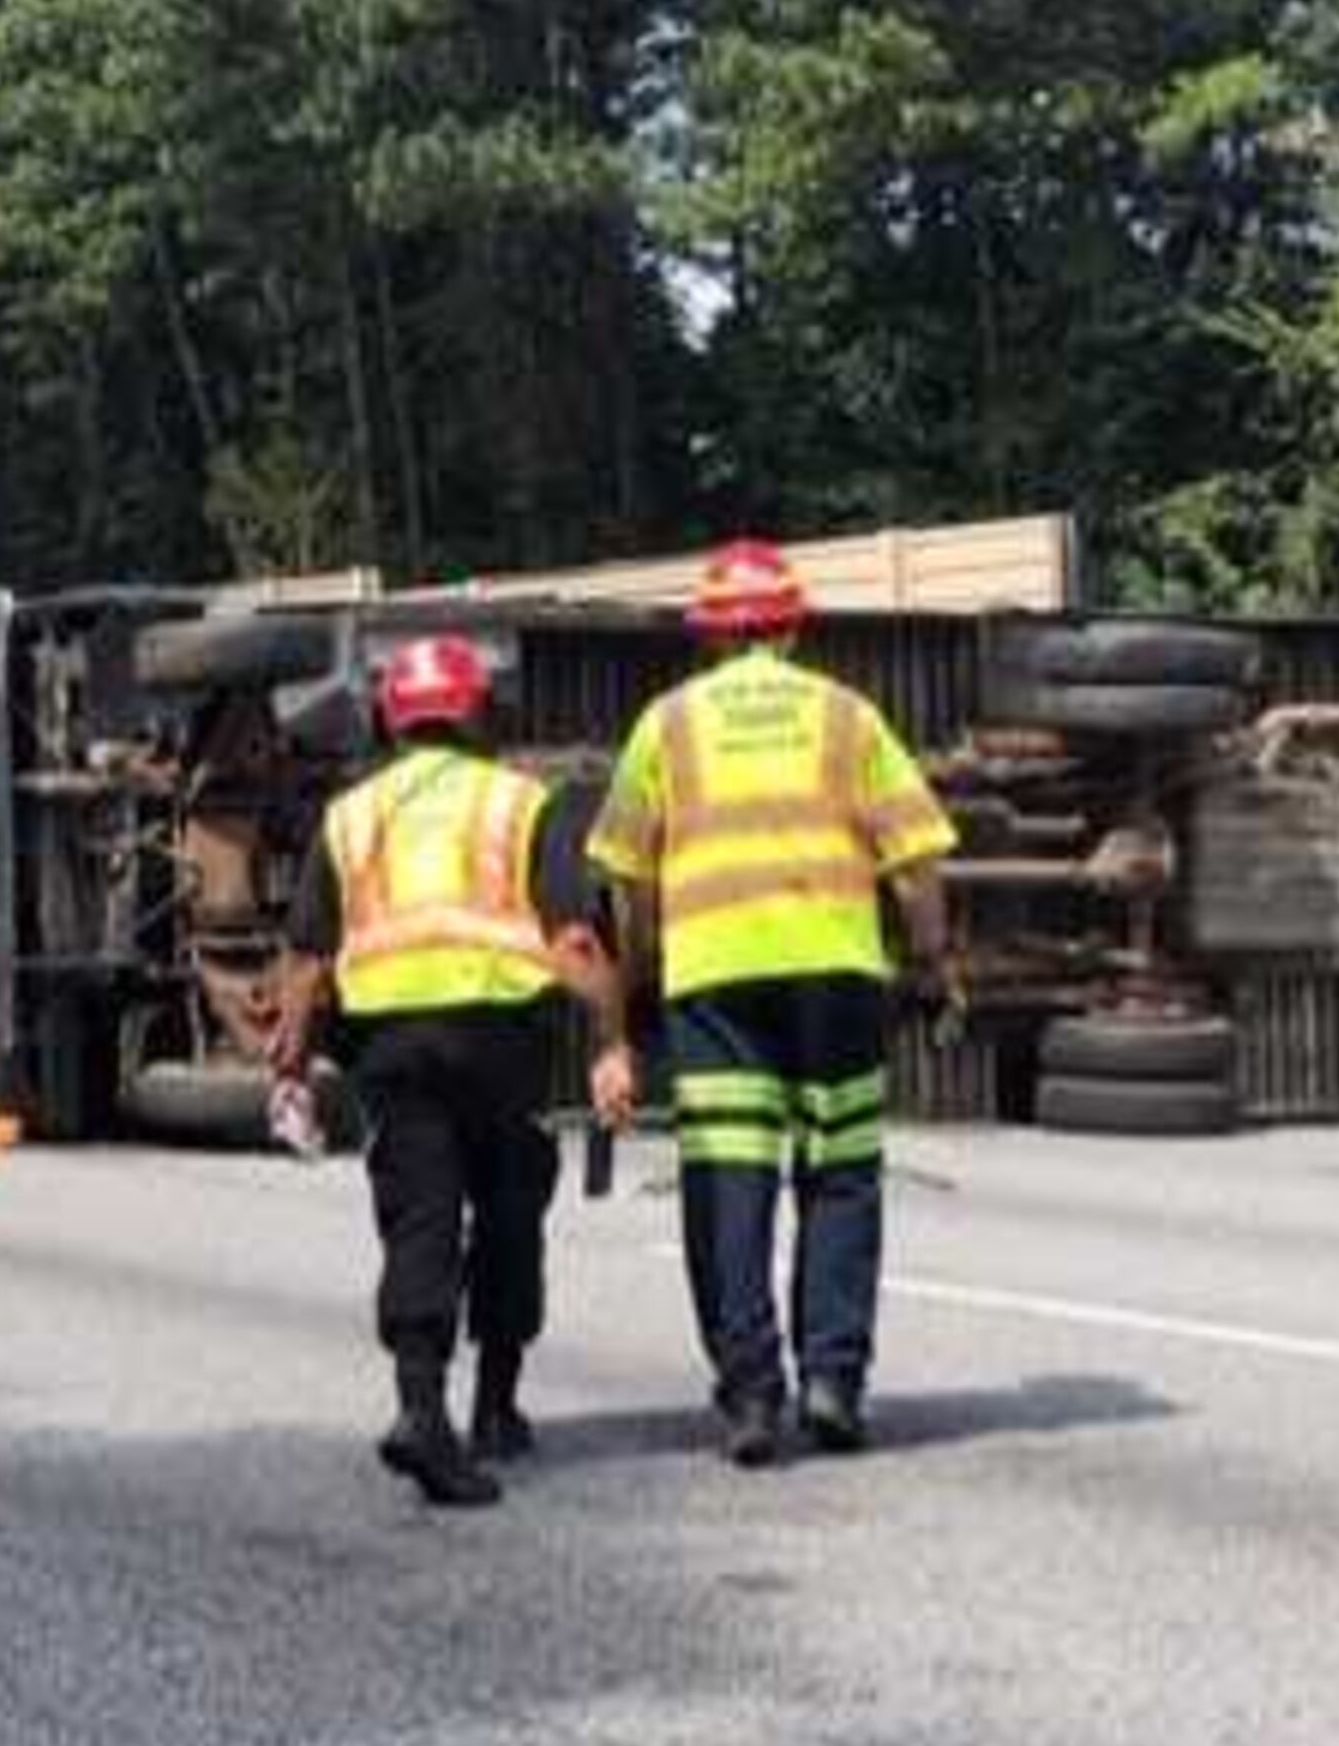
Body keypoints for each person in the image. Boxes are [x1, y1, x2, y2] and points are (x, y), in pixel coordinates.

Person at [586, 540, 962, 1468]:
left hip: (716, 977)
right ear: (793, 626)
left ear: (710, 635)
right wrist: (932, 962)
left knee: (730, 1179)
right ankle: (833, 1381)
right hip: (837, 969)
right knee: (840, 1175)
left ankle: (752, 1395)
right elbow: (916, 864)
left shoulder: (667, 724)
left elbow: (628, 881)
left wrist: (633, 987)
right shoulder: (848, 716)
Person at [271, 635, 640, 1510]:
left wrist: (289, 1058)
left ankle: (421, 1408)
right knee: (510, 1211)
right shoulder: (524, 803)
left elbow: (306, 957)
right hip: (500, 1040)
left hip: (391, 1044)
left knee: (419, 1219)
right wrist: (612, 1041)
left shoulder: (351, 815)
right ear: (479, 712)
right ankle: (497, 1407)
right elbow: (574, 941)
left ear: (391, 716)